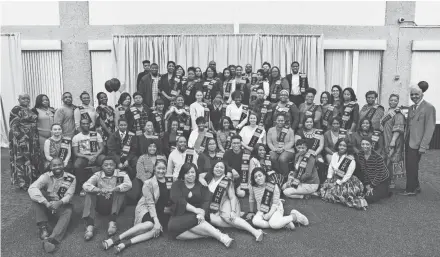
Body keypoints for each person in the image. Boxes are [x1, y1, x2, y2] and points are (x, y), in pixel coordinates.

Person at [102, 159, 171, 253]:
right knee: (151, 224)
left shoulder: (170, 180)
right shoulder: (148, 183)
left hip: (162, 211)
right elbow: (150, 204)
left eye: (164, 168)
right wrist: (157, 221)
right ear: (154, 169)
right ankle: (116, 239)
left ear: (167, 169)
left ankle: (125, 244)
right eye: (159, 168)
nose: (161, 171)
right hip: (146, 208)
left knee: (155, 230)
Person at [168, 163, 234, 247]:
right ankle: (211, 234)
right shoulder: (176, 184)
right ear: (183, 174)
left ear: (196, 173)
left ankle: (221, 237)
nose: (190, 175)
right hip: (180, 213)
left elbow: (206, 200)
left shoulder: (201, 185)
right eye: (187, 173)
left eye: (192, 172)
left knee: (195, 219)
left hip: (197, 214)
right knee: (173, 230)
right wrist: (195, 210)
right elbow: (179, 201)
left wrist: (202, 212)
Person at [200, 161, 265, 241]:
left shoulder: (227, 180)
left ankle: (255, 231)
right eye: (217, 167)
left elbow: (232, 197)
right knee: (211, 219)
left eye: (221, 167)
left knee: (228, 217)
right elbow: (199, 175)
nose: (219, 169)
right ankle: (240, 222)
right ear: (213, 168)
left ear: (224, 170)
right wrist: (200, 179)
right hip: (213, 206)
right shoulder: (208, 176)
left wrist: (233, 211)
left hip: (227, 201)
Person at [28, 158, 76, 253]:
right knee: (37, 196)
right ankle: (43, 228)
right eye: (54, 165)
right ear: (50, 167)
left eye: (59, 164)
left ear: (64, 165)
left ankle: (51, 240)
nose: (57, 167)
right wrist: (46, 202)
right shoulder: (45, 176)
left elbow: (69, 195)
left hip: (60, 205)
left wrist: (59, 203)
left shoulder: (71, 178)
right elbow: (32, 188)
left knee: (69, 209)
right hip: (48, 206)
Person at [82, 157, 132, 241]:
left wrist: (113, 190)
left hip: (117, 205)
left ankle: (112, 222)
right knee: (89, 192)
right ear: (102, 166)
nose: (109, 167)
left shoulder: (122, 173)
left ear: (115, 165)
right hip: (102, 205)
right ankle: (90, 225)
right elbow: (85, 185)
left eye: (111, 165)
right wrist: (99, 190)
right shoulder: (98, 174)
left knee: (120, 191)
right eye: (106, 165)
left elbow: (129, 185)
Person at [401, 86, 436, 196]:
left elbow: (430, 128)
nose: (414, 96)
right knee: (411, 165)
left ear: (422, 94)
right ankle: (416, 186)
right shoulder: (411, 108)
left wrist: (423, 146)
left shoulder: (429, 107)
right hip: (408, 140)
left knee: (412, 166)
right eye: (412, 94)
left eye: (416, 94)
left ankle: (410, 189)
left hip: (418, 143)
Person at [320, 138, 368, 210]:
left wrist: (339, 182)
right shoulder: (335, 155)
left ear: (347, 147)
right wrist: (329, 178)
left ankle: (360, 203)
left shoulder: (350, 158)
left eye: (344, 146)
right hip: (335, 177)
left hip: (345, 181)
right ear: (338, 146)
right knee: (325, 191)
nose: (342, 147)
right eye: (340, 145)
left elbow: (348, 175)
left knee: (344, 195)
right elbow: (331, 167)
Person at [10, 93, 40, 190]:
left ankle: (31, 180)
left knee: (31, 159)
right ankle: (23, 183)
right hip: (22, 139)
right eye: (23, 98)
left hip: (32, 139)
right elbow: (14, 126)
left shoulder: (30, 110)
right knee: (22, 159)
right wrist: (21, 139)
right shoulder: (16, 109)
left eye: (28, 98)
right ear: (18, 99)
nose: (26, 100)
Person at [72, 119, 106, 194]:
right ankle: (83, 186)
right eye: (83, 124)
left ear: (90, 125)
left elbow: (101, 147)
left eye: (87, 123)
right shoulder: (76, 137)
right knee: (77, 164)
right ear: (80, 125)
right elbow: (76, 153)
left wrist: (95, 156)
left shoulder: (96, 134)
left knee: (104, 159)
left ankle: (104, 184)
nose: (86, 125)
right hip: (83, 157)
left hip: (96, 155)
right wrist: (88, 157)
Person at [380, 94, 406, 188]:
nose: (393, 102)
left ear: (398, 102)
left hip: (393, 139)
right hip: (385, 137)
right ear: (389, 100)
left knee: (392, 159)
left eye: (395, 100)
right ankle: (386, 178)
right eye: (391, 100)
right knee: (386, 158)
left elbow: (398, 129)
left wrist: (393, 141)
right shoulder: (388, 112)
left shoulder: (398, 114)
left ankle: (391, 181)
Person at [358, 138, 391, 203]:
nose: (365, 146)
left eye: (367, 144)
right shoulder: (360, 154)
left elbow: (379, 174)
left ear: (371, 145)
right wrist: (367, 184)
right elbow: (364, 170)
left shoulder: (378, 157)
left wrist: (371, 186)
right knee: (360, 192)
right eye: (363, 144)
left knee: (370, 198)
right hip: (370, 178)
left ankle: (385, 190)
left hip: (382, 179)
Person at [267, 113, 295, 178]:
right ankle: (278, 175)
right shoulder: (271, 130)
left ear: (284, 121)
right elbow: (269, 142)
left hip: (288, 150)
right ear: (276, 120)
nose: (280, 122)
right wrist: (274, 149)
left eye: (282, 120)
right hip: (275, 149)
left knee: (282, 159)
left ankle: (285, 176)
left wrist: (283, 148)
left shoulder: (290, 130)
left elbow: (292, 142)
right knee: (272, 157)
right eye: (279, 120)